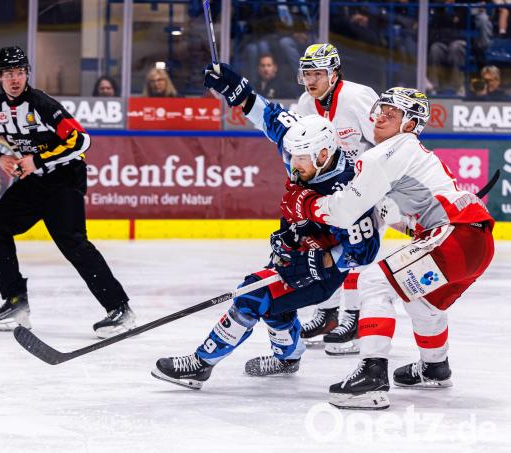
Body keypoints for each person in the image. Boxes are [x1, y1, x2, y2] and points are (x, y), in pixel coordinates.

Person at [152, 65, 381, 387]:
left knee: (252, 295)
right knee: (275, 307)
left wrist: (321, 260)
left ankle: (200, 364)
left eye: (302, 158)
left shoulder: (349, 191)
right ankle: (288, 357)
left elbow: (365, 252)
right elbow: (270, 116)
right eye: (292, 155)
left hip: (321, 272)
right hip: (296, 250)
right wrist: (237, 88)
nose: (294, 163)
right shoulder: (300, 148)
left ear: (325, 153)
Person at [280, 87, 495, 409]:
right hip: (475, 243)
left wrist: (307, 204)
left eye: (390, 114)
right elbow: (398, 215)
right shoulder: (408, 153)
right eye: (380, 110)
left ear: (410, 124)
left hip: (455, 234)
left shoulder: (387, 153)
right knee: (423, 303)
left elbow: (343, 210)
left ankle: (372, 376)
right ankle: (435, 367)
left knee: (374, 282)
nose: (379, 117)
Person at [0, 46, 135, 338]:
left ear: (27, 74)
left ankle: (119, 309)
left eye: (20, 72)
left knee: (72, 243)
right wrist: (0, 158)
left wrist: (37, 160)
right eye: (8, 73)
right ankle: (16, 302)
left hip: (64, 179)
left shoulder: (41, 104)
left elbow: (80, 140)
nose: (15, 79)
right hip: (34, 182)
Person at [293, 43, 379, 356]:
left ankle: (353, 319)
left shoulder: (358, 96)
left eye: (319, 73)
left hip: (364, 190)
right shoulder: (304, 102)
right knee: (318, 247)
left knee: (356, 255)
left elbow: (385, 140)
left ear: (335, 72)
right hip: (330, 193)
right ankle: (328, 316)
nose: (312, 80)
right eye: (307, 73)